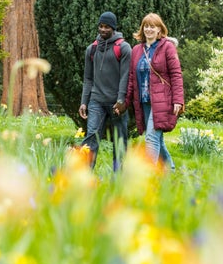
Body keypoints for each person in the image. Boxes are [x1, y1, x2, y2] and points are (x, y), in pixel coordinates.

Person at [119, 13, 184, 169]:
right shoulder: (136, 50)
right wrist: (125, 102)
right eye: (146, 26)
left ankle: (148, 177)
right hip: (145, 101)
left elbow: (176, 75)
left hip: (163, 101)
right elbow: (132, 79)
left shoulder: (167, 47)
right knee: (157, 139)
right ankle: (170, 170)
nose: (149, 29)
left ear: (159, 30)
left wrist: (178, 100)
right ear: (142, 29)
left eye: (152, 26)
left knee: (151, 138)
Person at [79, 11, 132, 170]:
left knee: (119, 140)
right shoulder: (92, 49)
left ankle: (118, 179)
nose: (103, 30)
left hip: (116, 102)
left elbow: (125, 77)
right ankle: (82, 176)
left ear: (113, 28)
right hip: (96, 101)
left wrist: (121, 101)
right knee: (91, 138)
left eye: (107, 27)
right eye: (101, 26)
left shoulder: (123, 48)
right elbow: (88, 78)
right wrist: (84, 102)